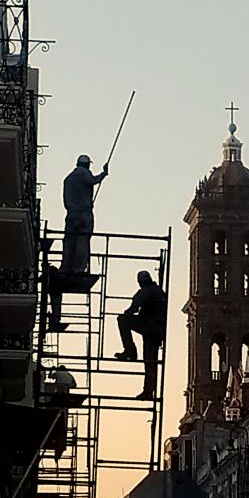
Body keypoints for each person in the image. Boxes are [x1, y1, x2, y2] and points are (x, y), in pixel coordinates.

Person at [114, 270, 167, 401]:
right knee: (150, 361)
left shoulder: (148, 290)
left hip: (151, 326)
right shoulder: (158, 291)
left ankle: (130, 351)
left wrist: (128, 313)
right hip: (156, 330)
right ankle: (149, 391)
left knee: (122, 320)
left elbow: (135, 306)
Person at [60, 154, 108, 275]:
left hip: (71, 213)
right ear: (87, 165)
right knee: (82, 240)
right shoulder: (85, 173)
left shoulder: (68, 179)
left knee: (69, 241)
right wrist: (104, 173)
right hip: (84, 213)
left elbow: (65, 200)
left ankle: (66, 267)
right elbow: (93, 180)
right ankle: (78, 269)